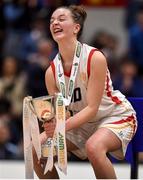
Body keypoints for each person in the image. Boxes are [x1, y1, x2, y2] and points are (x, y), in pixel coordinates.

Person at [33, 5, 137, 179]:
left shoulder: (94, 57)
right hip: (80, 124)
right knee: (36, 150)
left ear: (76, 28)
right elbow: (63, 113)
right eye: (52, 20)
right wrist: (49, 128)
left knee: (94, 147)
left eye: (61, 19)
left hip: (113, 116)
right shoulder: (51, 73)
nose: (55, 23)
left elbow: (92, 108)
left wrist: (60, 126)